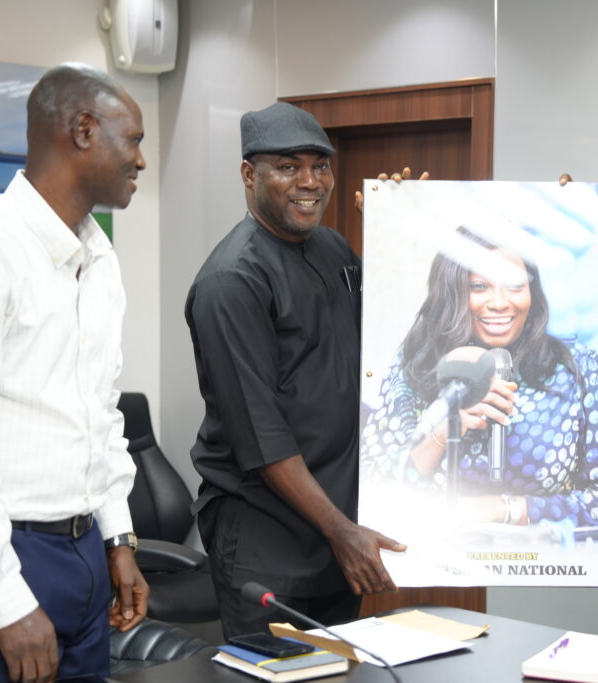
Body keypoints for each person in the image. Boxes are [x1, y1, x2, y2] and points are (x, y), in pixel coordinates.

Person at [0, 63, 148, 682]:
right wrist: (4, 603)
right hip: (1, 558)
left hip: (85, 553)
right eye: (133, 140)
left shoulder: (99, 255)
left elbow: (100, 415)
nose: (141, 160)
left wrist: (117, 538)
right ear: (84, 131)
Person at [186, 102, 405, 640]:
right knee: (276, 675)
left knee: (336, 672)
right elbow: (262, 436)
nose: (310, 182)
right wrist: (342, 532)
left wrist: (402, 233)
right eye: (288, 167)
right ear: (249, 175)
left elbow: (391, 339)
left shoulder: (332, 248)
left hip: (337, 534)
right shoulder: (232, 281)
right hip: (270, 545)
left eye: (320, 165)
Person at [361, 225, 598, 529]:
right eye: (479, 286)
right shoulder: (417, 364)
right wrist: (447, 426)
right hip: (435, 555)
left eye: (514, 286)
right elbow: (374, 493)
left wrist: (504, 509)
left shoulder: (579, 369)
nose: (499, 302)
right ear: (453, 292)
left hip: (543, 557)